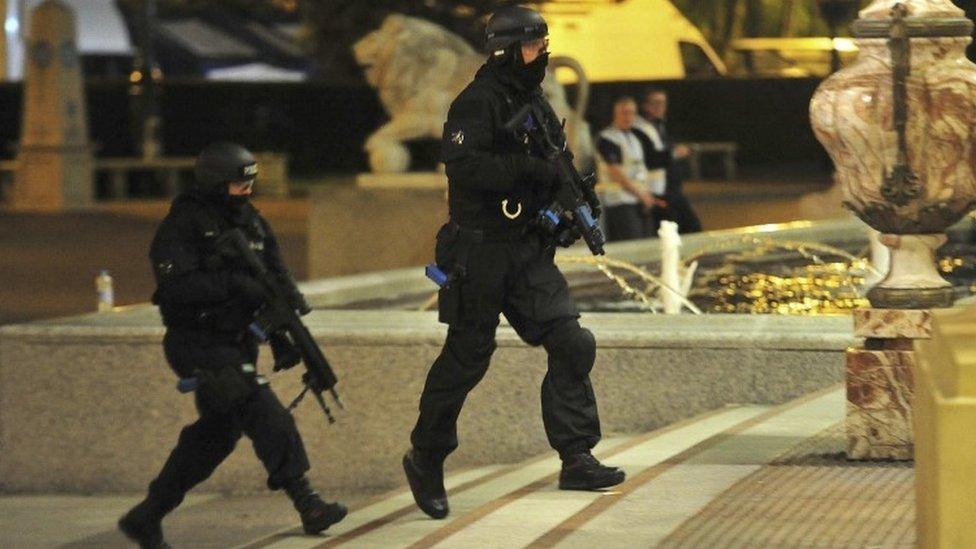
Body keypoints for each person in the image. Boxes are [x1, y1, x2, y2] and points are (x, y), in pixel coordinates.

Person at [402, 5, 625, 521]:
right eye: (532, 46)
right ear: (505, 49)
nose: (541, 54)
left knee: (571, 341)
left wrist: (567, 212)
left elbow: (556, 164)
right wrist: (531, 170)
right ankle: (426, 457)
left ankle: (576, 456)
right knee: (466, 358)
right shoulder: (475, 103)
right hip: (478, 253)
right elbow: (464, 165)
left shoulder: (535, 101)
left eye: (544, 45)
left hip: (525, 251)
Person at [118, 142, 346, 548]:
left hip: (238, 343)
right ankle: (307, 502)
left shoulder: (252, 224)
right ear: (214, 183)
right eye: (239, 187)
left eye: (249, 186)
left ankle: (147, 515)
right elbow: (175, 288)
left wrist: (282, 327)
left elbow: (274, 275)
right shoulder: (183, 225)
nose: (246, 194)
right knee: (263, 410)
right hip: (197, 342)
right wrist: (235, 285)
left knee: (218, 434)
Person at [595, 96, 666, 241]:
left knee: (646, 246)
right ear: (616, 114)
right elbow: (617, 174)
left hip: (638, 200)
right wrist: (642, 196)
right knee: (632, 246)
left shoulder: (634, 138)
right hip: (620, 201)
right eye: (624, 113)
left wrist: (647, 196)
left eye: (632, 113)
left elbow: (640, 172)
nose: (628, 117)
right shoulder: (608, 138)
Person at [636, 87, 702, 234]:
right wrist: (675, 153)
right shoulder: (640, 129)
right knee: (676, 229)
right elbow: (650, 158)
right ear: (645, 106)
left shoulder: (659, 125)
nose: (661, 107)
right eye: (656, 103)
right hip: (658, 190)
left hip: (671, 187)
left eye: (663, 103)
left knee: (688, 228)